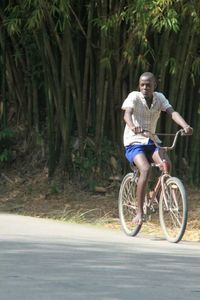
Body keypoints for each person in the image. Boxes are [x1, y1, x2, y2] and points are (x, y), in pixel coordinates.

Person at [121, 72, 193, 225]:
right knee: (145, 170)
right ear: (139, 86)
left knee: (166, 164)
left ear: (155, 85)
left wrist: (185, 125)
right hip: (134, 142)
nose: (145, 87)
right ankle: (139, 213)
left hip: (152, 141)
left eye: (148, 84)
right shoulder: (133, 96)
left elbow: (172, 113)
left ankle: (154, 194)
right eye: (142, 84)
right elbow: (127, 115)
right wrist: (133, 127)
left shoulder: (159, 98)